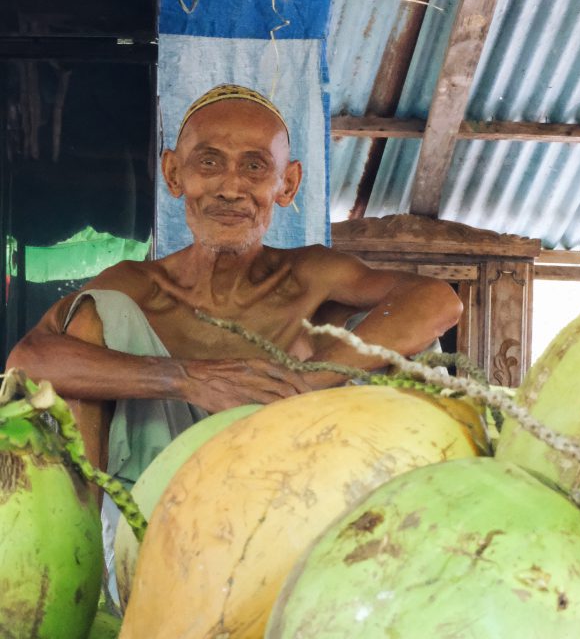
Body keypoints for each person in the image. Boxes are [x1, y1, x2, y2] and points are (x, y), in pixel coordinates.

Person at [8, 82, 462, 511]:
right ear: (173, 173)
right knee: (91, 328)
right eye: (208, 162)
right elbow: (29, 360)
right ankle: (83, 575)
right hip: (157, 510)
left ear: (286, 184)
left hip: (288, 499)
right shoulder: (134, 286)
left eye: (254, 166)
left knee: (418, 349)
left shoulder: (312, 274)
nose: (230, 188)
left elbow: (437, 300)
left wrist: (305, 379)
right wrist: (187, 378)